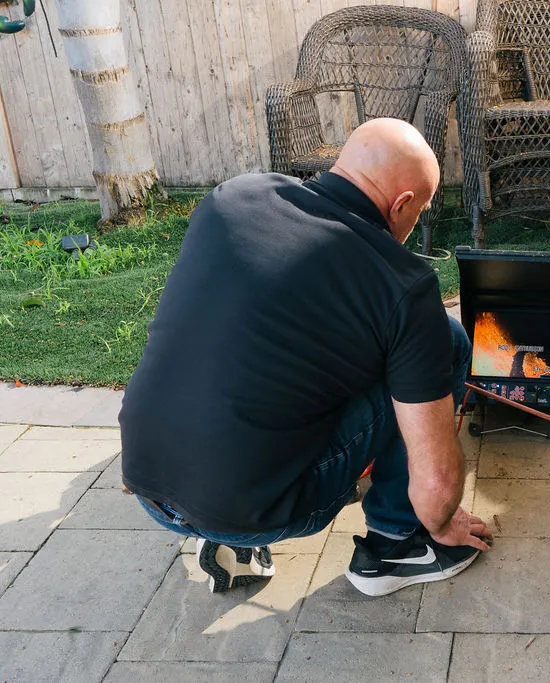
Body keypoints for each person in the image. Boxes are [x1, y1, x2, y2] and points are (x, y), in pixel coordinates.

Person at [119, 118, 491, 596]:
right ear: (401, 205)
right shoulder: (401, 283)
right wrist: (442, 521)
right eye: (419, 210)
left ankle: (223, 523)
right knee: (450, 339)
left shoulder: (234, 195)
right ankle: (398, 545)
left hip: (146, 478)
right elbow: (437, 482)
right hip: (251, 509)